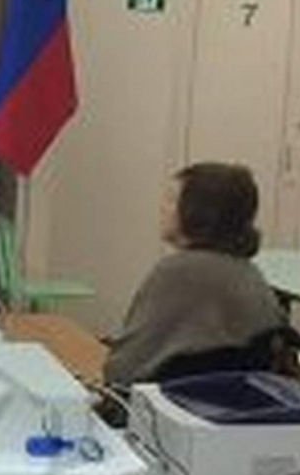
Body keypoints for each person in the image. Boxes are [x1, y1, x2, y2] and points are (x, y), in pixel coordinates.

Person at [105, 162, 285, 386]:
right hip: (229, 399)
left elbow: (125, 368)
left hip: (171, 400)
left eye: (171, 200)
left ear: (198, 211)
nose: (162, 208)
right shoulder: (249, 273)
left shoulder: (178, 273)